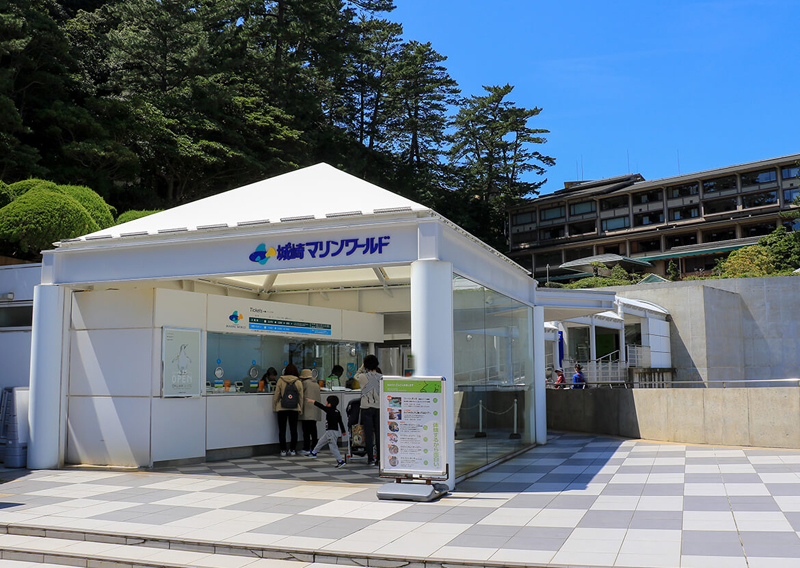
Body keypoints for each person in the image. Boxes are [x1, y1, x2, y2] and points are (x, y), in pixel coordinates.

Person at [307, 395, 348, 468]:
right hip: (331, 432)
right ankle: (314, 453)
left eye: (326, 402)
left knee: (333, 447)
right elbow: (340, 422)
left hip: (331, 432)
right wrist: (343, 431)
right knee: (321, 441)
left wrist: (312, 401)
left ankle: (340, 461)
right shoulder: (337, 412)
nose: (325, 403)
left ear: (329, 404)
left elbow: (321, 406)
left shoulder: (329, 410)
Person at [273, 363, 304, 456]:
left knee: (282, 429)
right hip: (294, 408)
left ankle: (283, 450)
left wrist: (275, 406)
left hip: (282, 408)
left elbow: (276, 395)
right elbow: (301, 397)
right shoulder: (298, 382)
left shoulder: (281, 380)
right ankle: (293, 449)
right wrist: (300, 408)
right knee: (293, 429)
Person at [357, 355, 382, 466]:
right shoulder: (381, 377)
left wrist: (363, 365)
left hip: (366, 407)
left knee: (368, 434)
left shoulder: (362, 376)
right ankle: (379, 459)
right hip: (378, 407)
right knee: (378, 434)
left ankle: (370, 459)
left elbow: (356, 375)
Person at [299, 368, 321, 454]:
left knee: (306, 431)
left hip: (307, 409)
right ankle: (315, 447)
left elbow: (300, 394)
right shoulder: (316, 384)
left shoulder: (304, 383)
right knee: (313, 430)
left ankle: (306, 448)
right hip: (315, 409)